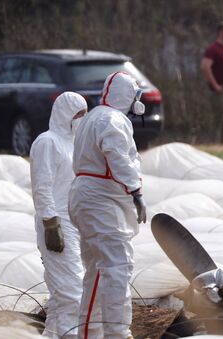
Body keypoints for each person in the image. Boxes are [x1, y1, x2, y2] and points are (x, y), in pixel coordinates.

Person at [69, 72, 147, 339]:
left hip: (86, 197)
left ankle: (89, 333)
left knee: (97, 271)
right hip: (102, 201)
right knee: (117, 267)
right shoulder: (112, 119)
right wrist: (135, 191)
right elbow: (116, 156)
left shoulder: (93, 117)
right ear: (128, 96)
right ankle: (118, 334)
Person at [30, 92, 87, 339]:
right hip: (56, 225)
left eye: (84, 114)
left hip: (74, 224)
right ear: (64, 114)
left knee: (60, 296)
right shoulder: (47, 142)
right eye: (77, 114)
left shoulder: (75, 144)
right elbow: (42, 186)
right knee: (73, 293)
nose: (81, 119)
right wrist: (50, 223)